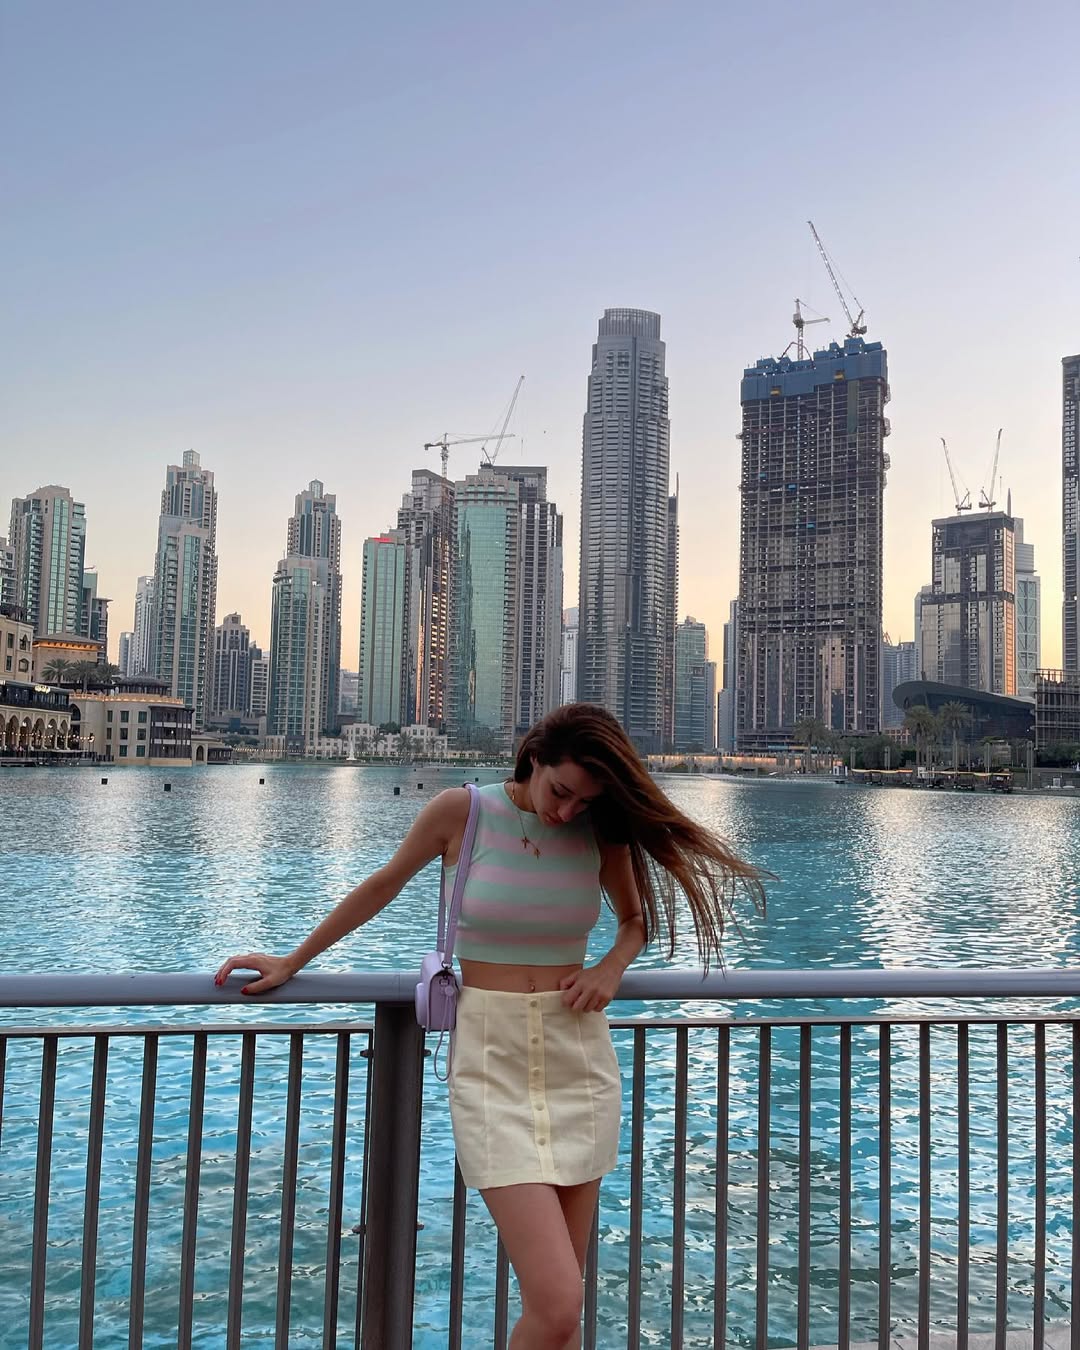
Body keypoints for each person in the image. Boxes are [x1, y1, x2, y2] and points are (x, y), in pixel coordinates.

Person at [215, 703, 765, 1349]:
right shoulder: (464, 811)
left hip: (578, 1058)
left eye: (585, 801)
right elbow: (383, 885)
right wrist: (293, 960)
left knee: (561, 1313)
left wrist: (611, 968)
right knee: (558, 1301)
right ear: (534, 758)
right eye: (561, 791)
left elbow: (633, 921)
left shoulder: (598, 830)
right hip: (489, 1064)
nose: (567, 810)